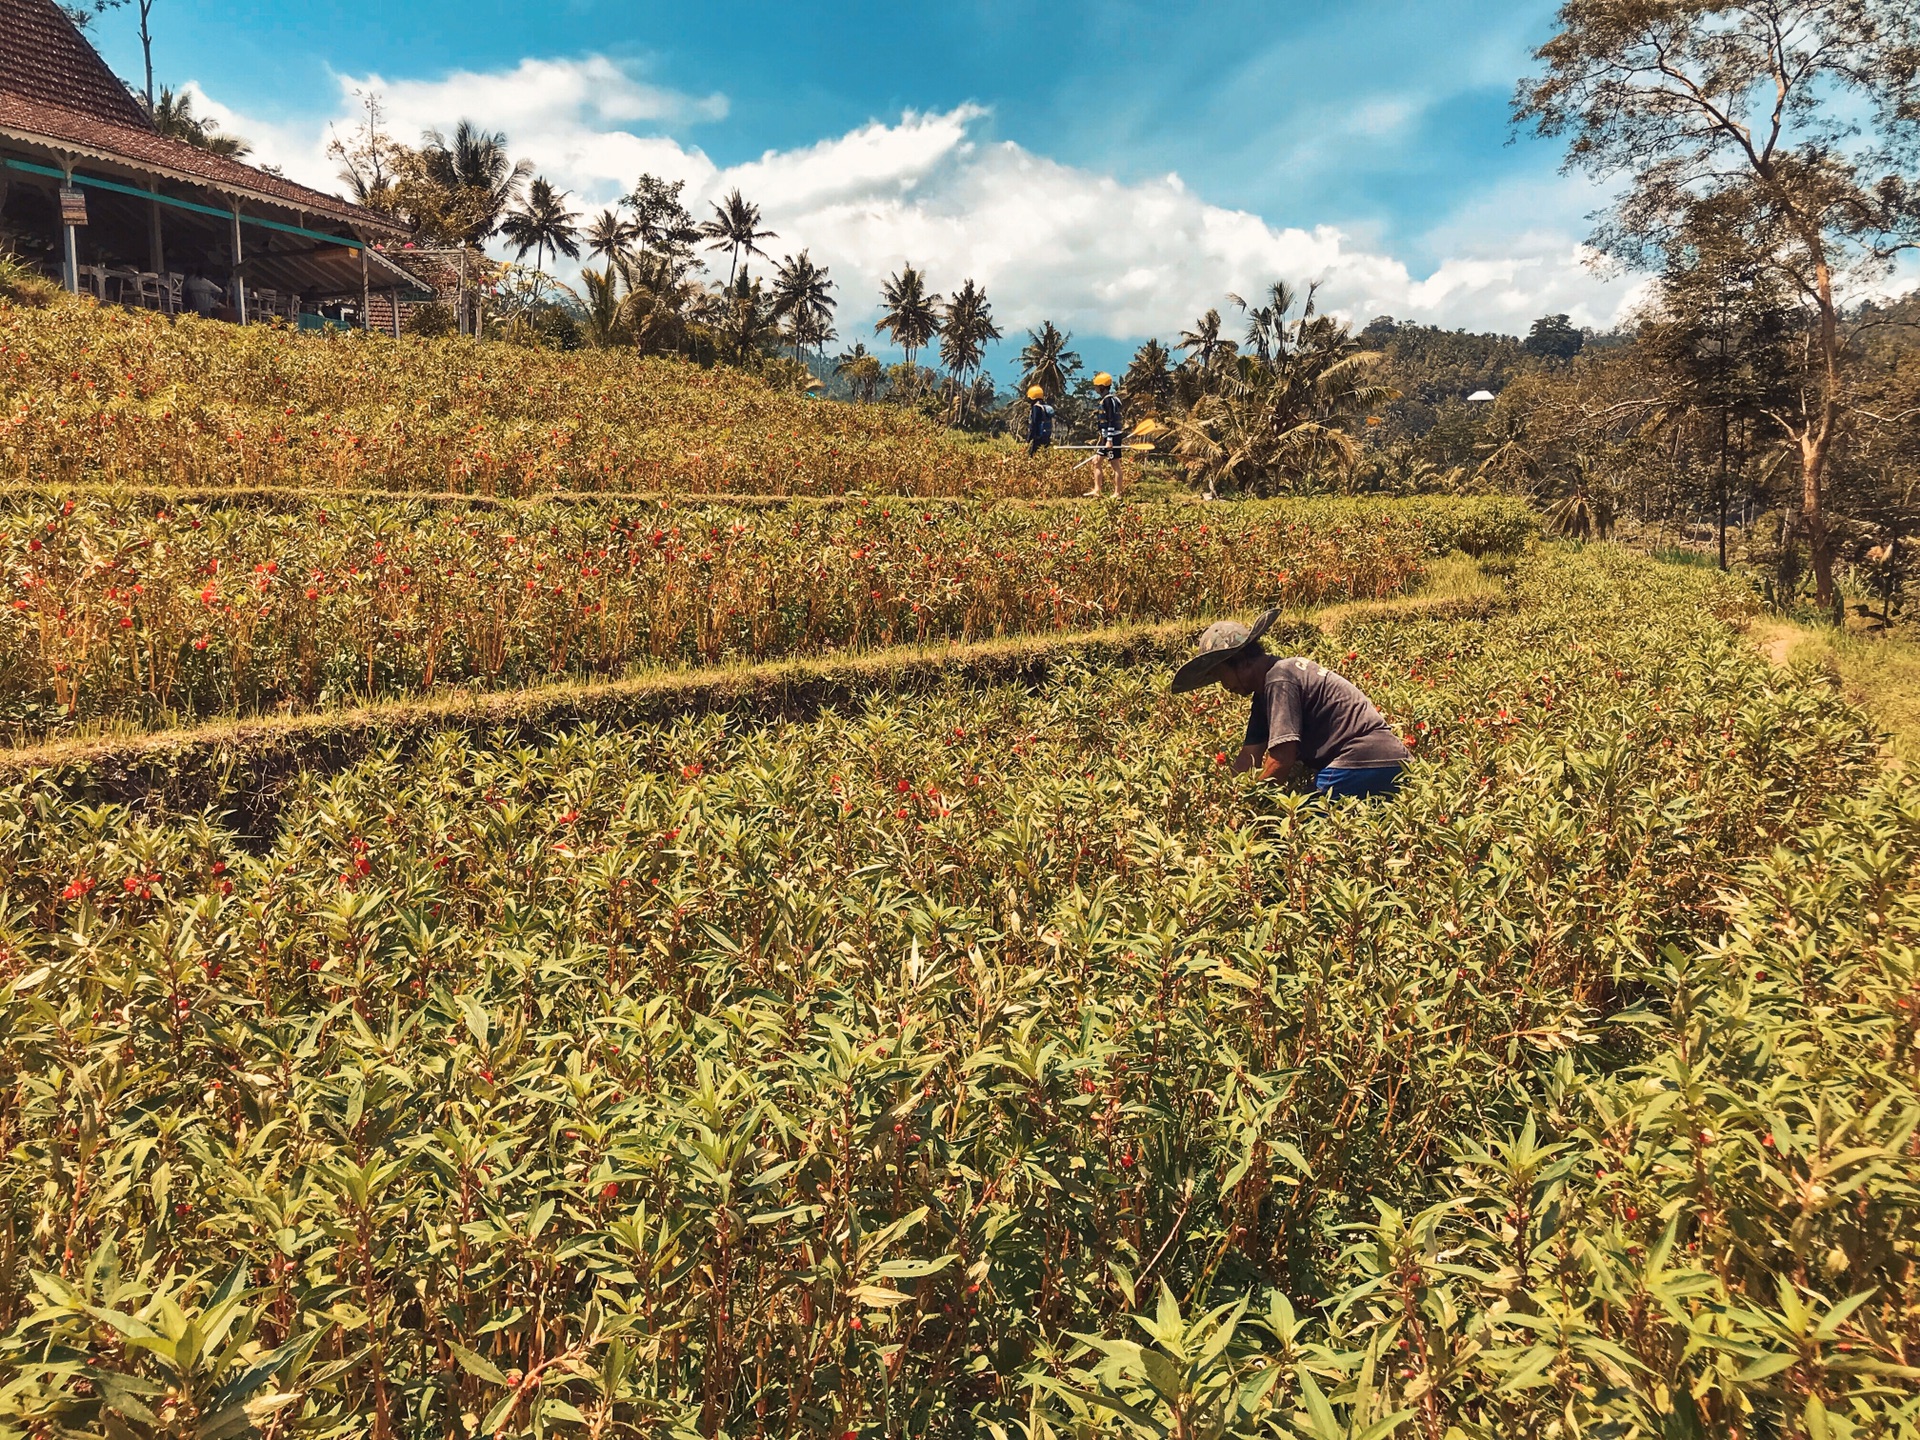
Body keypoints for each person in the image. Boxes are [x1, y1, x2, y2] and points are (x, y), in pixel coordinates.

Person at [1171, 609, 1412, 800]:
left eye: (1220, 674)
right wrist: (1225, 798)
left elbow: (1281, 759)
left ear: (1241, 662)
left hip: (1365, 760)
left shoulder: (1280, 679)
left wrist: (1251, 805)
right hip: (1385, 761)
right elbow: (1249, 757)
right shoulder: (1266, 691)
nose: (1223, 685)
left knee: (1298, 822)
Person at [1088, 372, 1124, 498]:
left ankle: (1117, 493)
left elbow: (1110, 420)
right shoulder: (1108, 399)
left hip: (1112, 437)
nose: (1095, 388)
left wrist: (1109, 440)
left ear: (1102, 387)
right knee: (1096, 462)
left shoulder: (1109, 400)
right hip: (1106, 437)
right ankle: (1097, 490)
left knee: (1115, 464)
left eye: (1097, 386)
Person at [1025, 385, 1055, 456]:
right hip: (1046, 438)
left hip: (1038, 438)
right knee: (1044, 457)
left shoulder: (1036, 408)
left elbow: (1034, 424)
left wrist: (1028, 440)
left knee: (1032, 457)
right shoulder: (1044, 407)